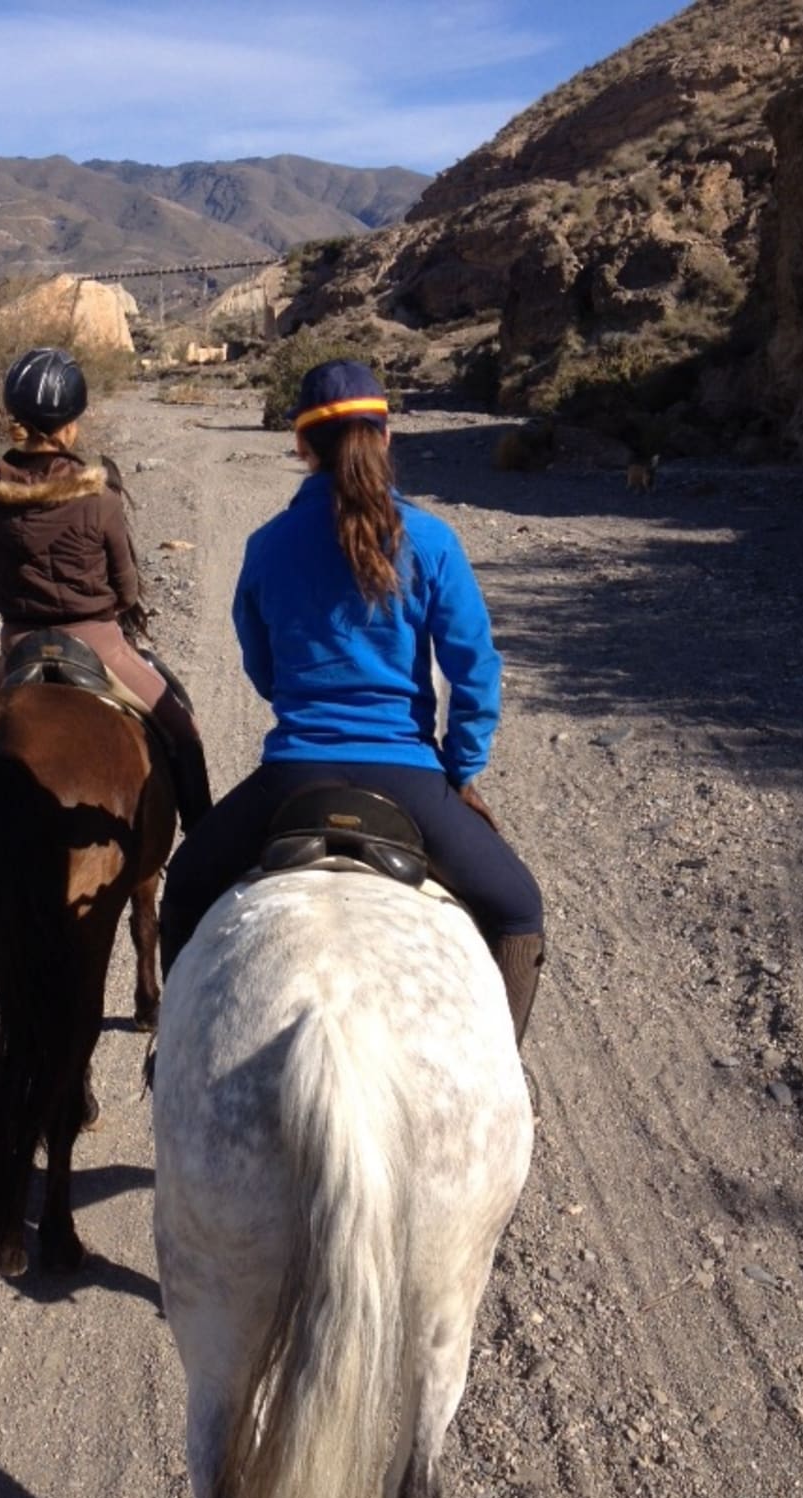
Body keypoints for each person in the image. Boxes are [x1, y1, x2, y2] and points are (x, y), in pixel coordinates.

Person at [158, 358, 544, 1044]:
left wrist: (306, 699)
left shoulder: (267, 544)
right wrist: (462, 762)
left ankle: (172, 1049)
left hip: (293, 776)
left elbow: (263, 664)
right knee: (517, 908)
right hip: (411, 779)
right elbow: (475, 670)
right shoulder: (430, 539)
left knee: (185, 885)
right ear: (385, 436)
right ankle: (506, 1065)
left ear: (303, 446)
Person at [0, 346, 211, 832]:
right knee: (183, 732)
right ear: (71, 424)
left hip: (17, 645)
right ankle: (203, 842)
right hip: (99, 644)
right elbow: (126, 590)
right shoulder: (99, 495)